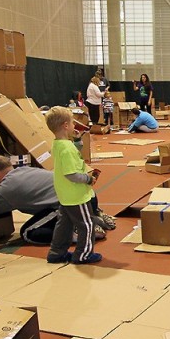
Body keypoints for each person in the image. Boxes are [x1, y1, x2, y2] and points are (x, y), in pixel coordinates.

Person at [0, 156, 112, 248]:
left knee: (28, 232)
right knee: (47, 212)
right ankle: (93, 217)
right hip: (90, 198)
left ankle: (77, 232)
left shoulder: (6, 188)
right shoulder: (26, 170)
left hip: (70, 206)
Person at [45, 106, 101, 264]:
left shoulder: (59, 144)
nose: (74, 126)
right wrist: (88, 179)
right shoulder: (67, 148)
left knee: (65, 224)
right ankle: (83, 255)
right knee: (87, 224)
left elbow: (70, 156)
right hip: (76, 195)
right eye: (72, 123)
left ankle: (56, 252)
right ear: (65, 125)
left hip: (65, 194)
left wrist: (77, 141)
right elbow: (71, 174)